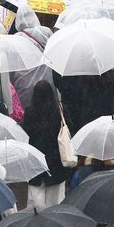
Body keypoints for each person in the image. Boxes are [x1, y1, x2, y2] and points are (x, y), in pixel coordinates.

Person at [22, 81, 71, 210]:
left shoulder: (29, 113)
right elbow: (70, 128)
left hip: (36, 162)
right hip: (56, 161)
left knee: (37, 202)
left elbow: (26, 135)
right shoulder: (60, 110)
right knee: (54, 202)